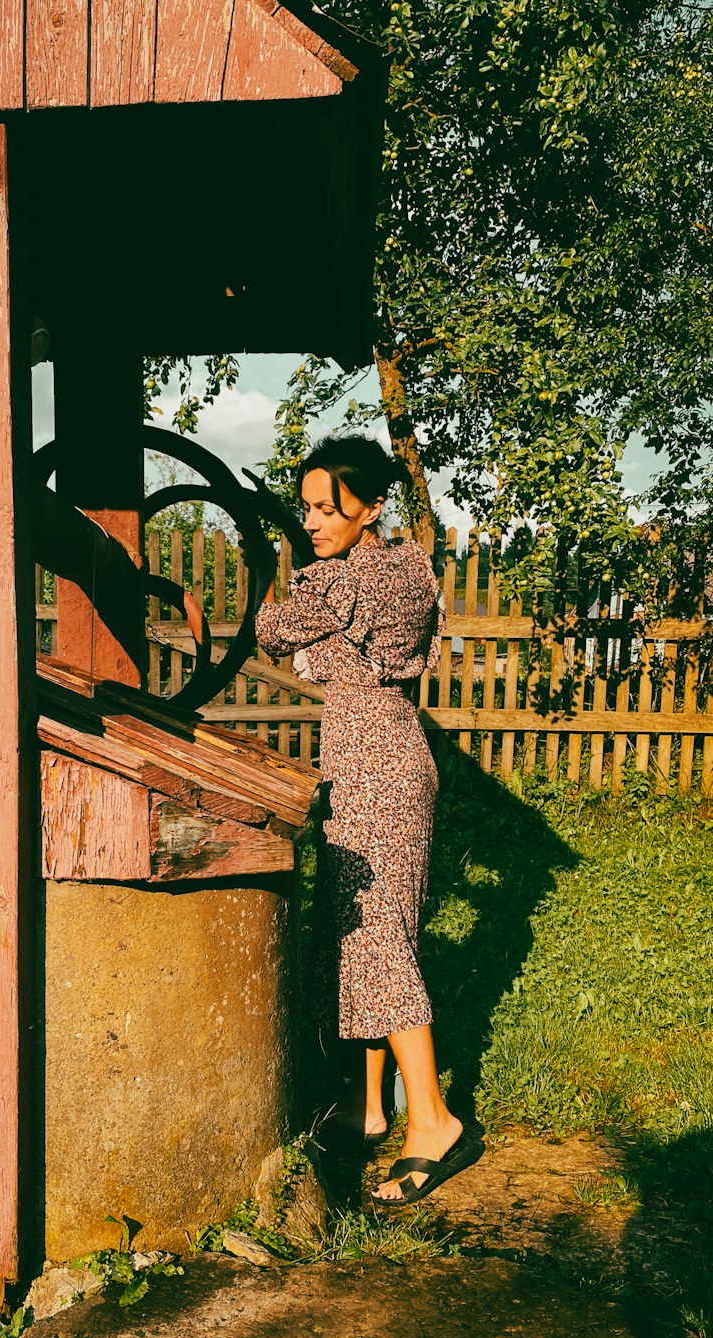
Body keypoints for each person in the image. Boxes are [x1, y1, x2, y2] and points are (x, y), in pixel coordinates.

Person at [253, 432, 482, 1204]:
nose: (313, 521)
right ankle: (366, 1104)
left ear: (372, 504)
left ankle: (433, 1122)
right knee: (363, 928)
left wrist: (271, 582)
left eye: (329, 507)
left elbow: (273, 630)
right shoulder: (408, 563)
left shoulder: (342, 581)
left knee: (379, 938)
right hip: (389, 749)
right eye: (307, 507)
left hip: (372, 762)